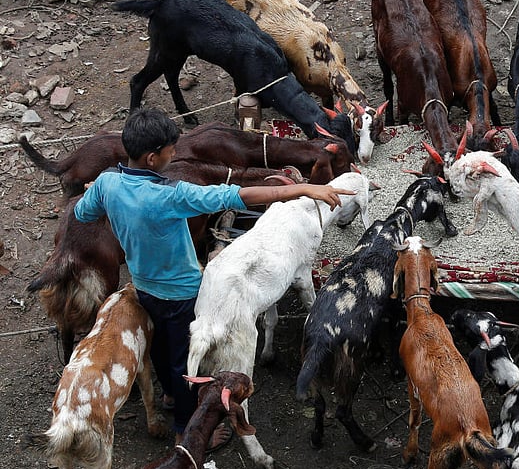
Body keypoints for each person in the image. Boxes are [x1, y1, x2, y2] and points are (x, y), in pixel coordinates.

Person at [75, 107, 355, 447]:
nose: (174, 154)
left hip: (144, 286)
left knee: (161, 348)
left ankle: (168, 397)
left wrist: (100, 191)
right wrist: (300, 190)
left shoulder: (108, 183)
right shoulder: (172, 195)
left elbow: (82, 211)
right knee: (184, 359)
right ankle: (187, 430)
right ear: (152, 158)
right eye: (170, 150)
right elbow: (234, 194)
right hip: (182, 293)